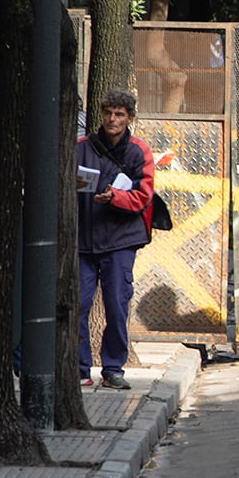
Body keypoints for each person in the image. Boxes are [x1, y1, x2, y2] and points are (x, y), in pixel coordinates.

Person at [77, 91, 156, 391]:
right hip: (83, 240)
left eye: (119, 114)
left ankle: (113, 368)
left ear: (129, 118)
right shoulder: (81, 148)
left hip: (120, 240)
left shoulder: (139, 151)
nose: (112, 119)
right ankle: (80, 368)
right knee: (78, 305)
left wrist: (116, 198)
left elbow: (144, 195)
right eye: (108, 112)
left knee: (116, 305)